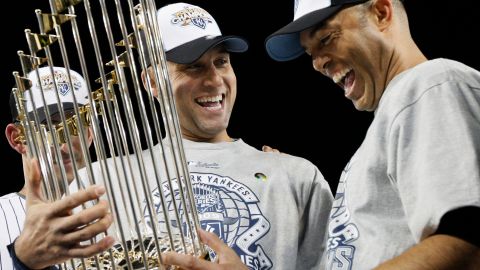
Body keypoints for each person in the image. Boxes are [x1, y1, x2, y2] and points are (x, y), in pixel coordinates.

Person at [96, 2, 333, 269]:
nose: (215, 80)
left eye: (221, 62)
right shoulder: (100, 182)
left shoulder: (296, 177)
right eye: (194, 67)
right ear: (152, 82)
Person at [264, 0, 480, 269]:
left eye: (327, 38)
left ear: (381, 13)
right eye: (310, 53)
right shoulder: (395, 116)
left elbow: (465, 241)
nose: (317, 64)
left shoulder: (429, 84)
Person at [1, 66, 114, 269]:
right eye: (48, 127)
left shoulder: (120, 210)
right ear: (17, 138)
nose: (64, 146)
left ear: (90, 133)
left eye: (74, 124)